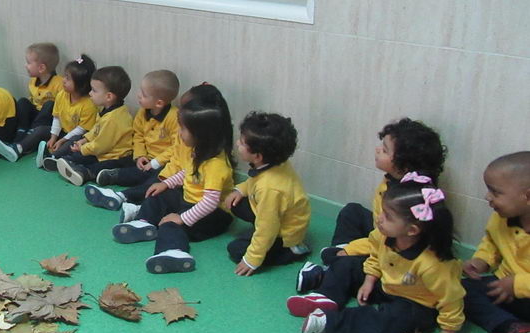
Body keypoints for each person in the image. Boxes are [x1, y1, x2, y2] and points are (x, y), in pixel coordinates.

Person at [288, 174, 465, 333]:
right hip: (386, 284)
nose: (379, 218)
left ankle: (329, 322)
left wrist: (449, 330)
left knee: (391, 320)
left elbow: (451, 297)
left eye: (387, 216)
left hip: (415, 304)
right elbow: (375, 256)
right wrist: (369, 280)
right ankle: (327, 295)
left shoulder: (433, 264)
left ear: (412, 230)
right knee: (347, 264)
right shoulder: (384, 235)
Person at [296, 118, 447, 292]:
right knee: (352, 211)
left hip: (392, 248)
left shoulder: (411, 198)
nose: (377, 150)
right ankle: (338, 257)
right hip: (381, 229)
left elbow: (384, 239)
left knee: (352, 265)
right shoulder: (391, 180)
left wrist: (352, 250)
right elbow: (379, 224)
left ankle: (329, 272)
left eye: (384, 150)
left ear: (403, 166)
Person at [113, 96, 234, 274]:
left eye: (183, 129)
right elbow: (188, 172)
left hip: (214, 215)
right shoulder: (200, 151)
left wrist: (181, 218)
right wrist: (167, 184)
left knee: (170, 225)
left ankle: (174, 252)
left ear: (201, 135)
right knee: (157, 196)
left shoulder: (216, 164)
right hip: (191, 200)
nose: (179, 133)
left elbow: (210, 202)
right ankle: (143, 222)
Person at [461, 152, 530, 333]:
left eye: (496, 192)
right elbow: (491, 240)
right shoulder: (501, 216)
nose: (487, 197)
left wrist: (517, 284)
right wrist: (482, 261)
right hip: (505, 290)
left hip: (518, 288)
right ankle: (515, 329)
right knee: (461, 289)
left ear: (527, 196)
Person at [225, 112, 311, 276]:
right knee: (237, 203)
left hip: (284, 233)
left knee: (235, 249)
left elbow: (267, 227)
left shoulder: (269, 189)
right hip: (276, 213)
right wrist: (240, 190)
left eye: (242, 143)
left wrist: (252, 259)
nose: (237, 143)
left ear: (257, 156)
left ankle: (294, 250)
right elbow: (254, 180)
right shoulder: (275, 162)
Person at [83, 70, 180, 206]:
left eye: (144, 95)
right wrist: (140, 155)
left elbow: (177, 147)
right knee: (124, 161)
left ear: (158, 103)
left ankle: (121, 195)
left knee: (152, 178)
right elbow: (138, 135)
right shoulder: (142, 112)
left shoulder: (174, 118)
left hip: (163, 163)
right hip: (145, 158)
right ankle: (97, 173)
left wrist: (156, 162)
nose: (139, 95)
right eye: (140, 90)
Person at [0, 54, 96, 164]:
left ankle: (51, 158)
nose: (63, 80)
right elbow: (57, 118)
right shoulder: (62, 95)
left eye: (68, 78)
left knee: (72, 142)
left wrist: (62, 140)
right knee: (41, 130)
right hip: (62, 132)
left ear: (81, 85)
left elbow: (81, 129)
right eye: (64, 76)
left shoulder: (89, 104)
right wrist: (53, 137)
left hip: (75, 136)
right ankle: (17, 149)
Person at [54, 66, 134, 185]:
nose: (90, 93)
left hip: (116, 156)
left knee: (97, 166)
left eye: (94, 91)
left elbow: (101, 145)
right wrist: (84, 139)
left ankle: (82, 173)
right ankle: (68, 164)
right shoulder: (106, 110)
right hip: (102, 152)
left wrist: (82, 148)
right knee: (76, 156)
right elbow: (95, 131)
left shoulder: (113, 119)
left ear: (109, 96)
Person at [14, 42, 63, 135]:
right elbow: (32, 101)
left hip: (48, 120)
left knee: (49, 105)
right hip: (36, 114)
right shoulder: (33, 81)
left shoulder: (59, 83)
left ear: (41, 68)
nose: (25, 65)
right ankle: (21, 131)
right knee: (23, 102)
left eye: (28, 63)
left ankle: (32, 135)